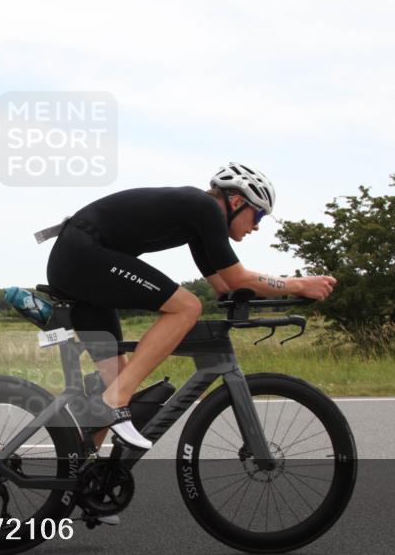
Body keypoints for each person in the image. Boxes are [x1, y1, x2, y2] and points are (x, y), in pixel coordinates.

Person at [45, 162, 336, 450]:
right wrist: (299, 284)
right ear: (236, 201)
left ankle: (82, 469)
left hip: (80, 263)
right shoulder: (205, 208)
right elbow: (238, 276)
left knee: (116, 379)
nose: (257, 226)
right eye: (258, 214)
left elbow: (228, 287)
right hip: (81, 256)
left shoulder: (198, 223)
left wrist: (279, 302)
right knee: (187, 307)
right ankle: (115, 400)